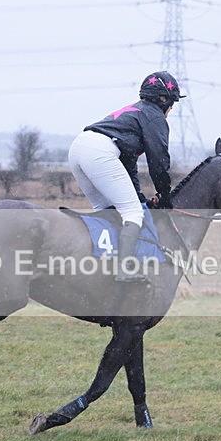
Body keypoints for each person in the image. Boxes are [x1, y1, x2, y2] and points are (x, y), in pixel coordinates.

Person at [68, 70, 184, 282]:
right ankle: (124, 269)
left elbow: (127, 164)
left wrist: (140, 197)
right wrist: (164, 195)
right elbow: (158, 161)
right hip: (99, 152)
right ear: (163, 99)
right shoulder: (154, 116)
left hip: (78, 148)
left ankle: (102, 265)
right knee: (133, 214)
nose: (171, 109)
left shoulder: (135, 111)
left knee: (107, 210)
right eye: (172, 103)